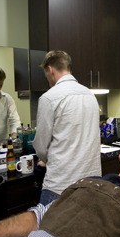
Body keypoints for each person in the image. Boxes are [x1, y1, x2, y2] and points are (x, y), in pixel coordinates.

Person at [32, 50, 102, 205]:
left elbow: (41, 146)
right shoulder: (90, 95)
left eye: (46, 74)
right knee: (85, 228)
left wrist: (44, 159)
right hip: (91, 182)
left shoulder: (49, 98)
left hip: (61, 185)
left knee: (48, 228)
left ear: (50, 69)